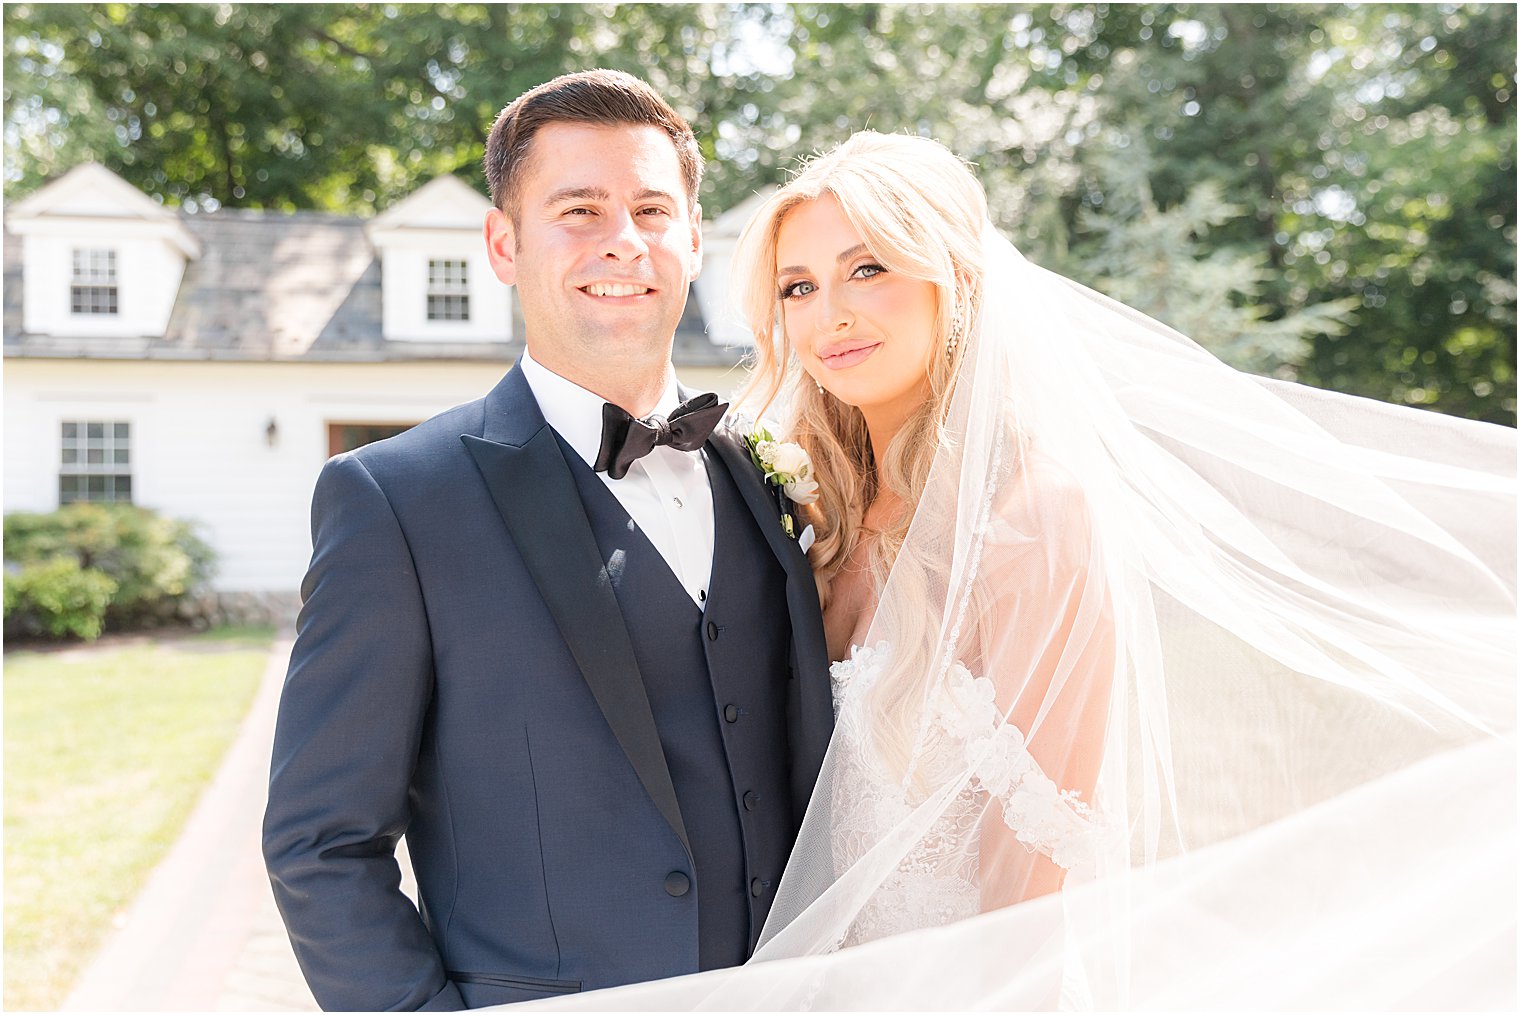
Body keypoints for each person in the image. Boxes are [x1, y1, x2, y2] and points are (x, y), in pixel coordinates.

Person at [512, 132, 1515, 1010]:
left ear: (951, 279)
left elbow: (1037, 872)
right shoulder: (811, 513)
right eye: (798, 286)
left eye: (869, 270)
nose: (831, 316)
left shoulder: (1029, 521)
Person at [261, 69, 833, 1011]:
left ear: (693, 238)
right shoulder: (395, 501)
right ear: (502, 243)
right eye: (580, 208)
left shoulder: (766, 472)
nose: (624, 240)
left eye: (653, 208)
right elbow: (320, 844)